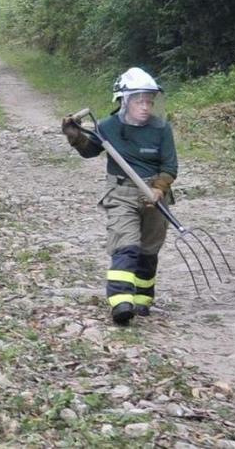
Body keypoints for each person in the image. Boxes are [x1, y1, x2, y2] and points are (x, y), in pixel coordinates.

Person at [62, 67, 177, 326]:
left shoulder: (161, 129)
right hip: (121, 193)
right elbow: (90, 150)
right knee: (126, 245)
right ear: (124, 102)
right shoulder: (108, 127)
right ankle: (120, 303)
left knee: (148, 250)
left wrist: (159, 188)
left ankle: (143, 300)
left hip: (155, 197)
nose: (146, 107)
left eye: (149, 101)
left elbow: (169, 166)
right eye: (139, 101)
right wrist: (75, 136)